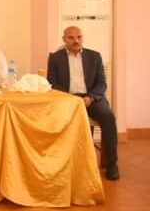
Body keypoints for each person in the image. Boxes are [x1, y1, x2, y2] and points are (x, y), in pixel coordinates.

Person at [47, 26, 119, 180]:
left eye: (79, 37)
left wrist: (90, 98)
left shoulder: (95, 56)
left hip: (91, 98)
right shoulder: (55, 58)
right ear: (64, 39)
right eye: (71, 38)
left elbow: (102, 83)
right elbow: (52, 83)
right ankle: (59, 164)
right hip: (67, 99)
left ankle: (112, 165)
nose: (76, 41)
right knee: (52, 118)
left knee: (108, 117)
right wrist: (71, 98)